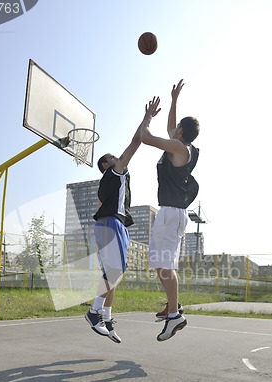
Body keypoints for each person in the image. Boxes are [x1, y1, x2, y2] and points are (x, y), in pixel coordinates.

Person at [85, 101, 160, 343]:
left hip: (112, 225)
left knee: (114, 274)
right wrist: (147, 120)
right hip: (110, 224)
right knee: (115, 270)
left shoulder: (110, 184)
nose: (119, 159)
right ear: (107, 165)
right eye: (114, 158)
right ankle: (94, 311)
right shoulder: (114, 172)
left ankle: (106, 316)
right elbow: (136, 142)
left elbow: (98, 206)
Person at [141, 81, 200, 342]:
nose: (172, 129)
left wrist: (146, 118)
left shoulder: (178, 148)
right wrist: (174, 99)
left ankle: (175, 314)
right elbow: (169, 128)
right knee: (159, 263)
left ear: (180, 132)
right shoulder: (181, 146)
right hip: (171, 213)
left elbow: (146, 138)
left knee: (164, 264)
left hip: (171, 212)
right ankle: (172, 306)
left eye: (174, 128)